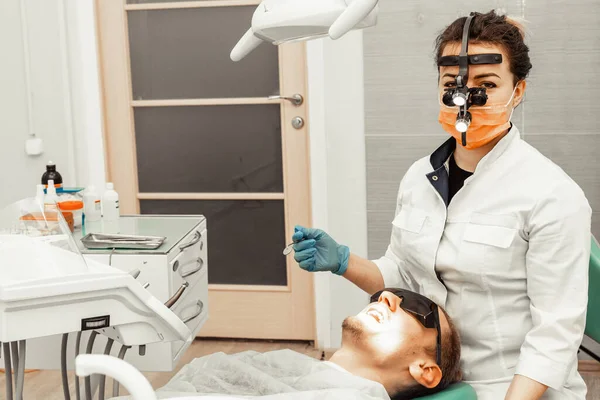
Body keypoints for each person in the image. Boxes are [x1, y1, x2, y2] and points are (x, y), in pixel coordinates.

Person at [291, 9, 592, 400]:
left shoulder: (552, 194)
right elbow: (401, 274)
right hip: (425, 379)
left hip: (511, 385)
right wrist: (344, 262)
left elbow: (556, 333)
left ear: (517, 91)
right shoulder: (418, 178)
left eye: (486, 84)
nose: (465, 98)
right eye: (453, 83)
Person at [127, 290, 462, 400]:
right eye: (386, 293)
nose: (387, 297)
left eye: (417, 309)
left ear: (425, 370)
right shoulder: (291, 368)